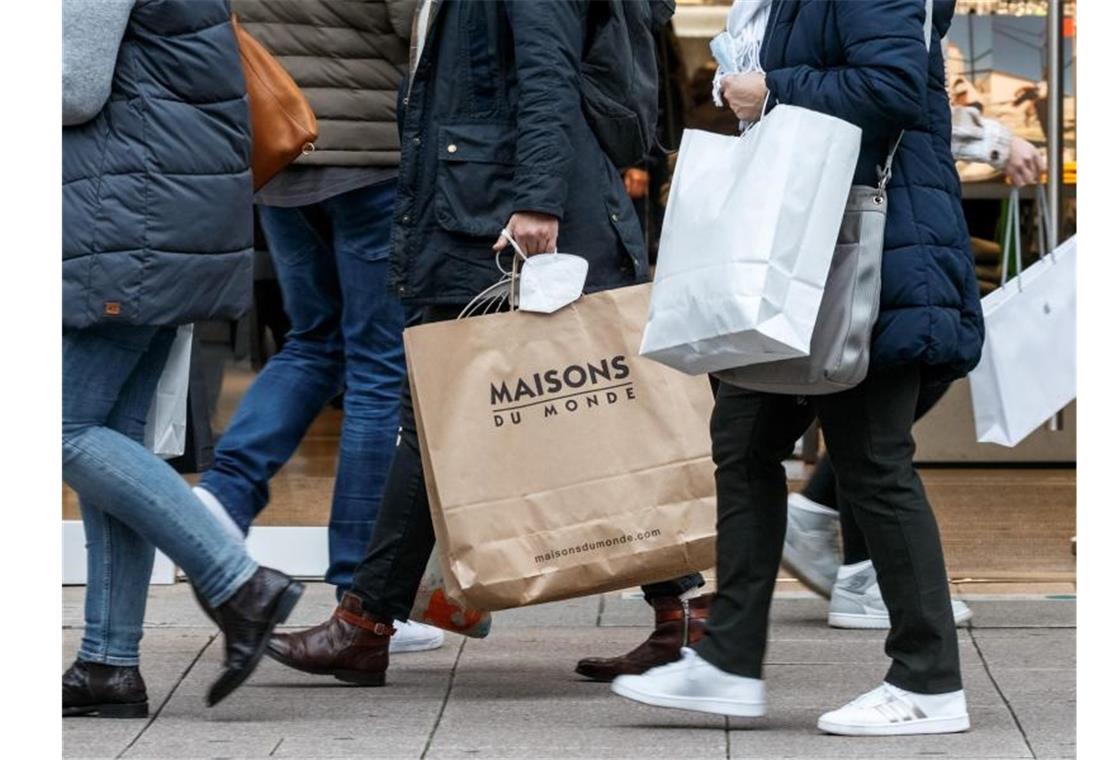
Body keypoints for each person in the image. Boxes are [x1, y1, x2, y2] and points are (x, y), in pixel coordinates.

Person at [262, 0, 710, 687]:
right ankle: (685, 615)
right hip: (490, 202)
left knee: (440, 420)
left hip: (500, 215)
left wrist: (538, 201)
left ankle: (363, 624)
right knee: (586, 416)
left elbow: (547, 74)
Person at [611, 0, 984, 736]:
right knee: (743, 443)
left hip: (871, 248)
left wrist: (771, 88)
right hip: (801, 249)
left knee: (873, 460)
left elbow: (894, 87)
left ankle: (929, 679)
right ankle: (728, 665)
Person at [62, 0, 302, 717]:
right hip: (156, 217)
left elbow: (73, 86)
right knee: (116, 447)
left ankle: (240, 584)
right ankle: (107, 665)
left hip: (128, 220)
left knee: (54, 425)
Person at [190, 0, 443, 654]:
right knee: (377, 368)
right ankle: (360, 593)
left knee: (313, 341)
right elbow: (416, 26)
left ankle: (222, 497)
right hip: (371, 156)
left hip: (279, 144)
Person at [784, 104, 1046, 629]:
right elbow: (894, 87)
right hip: (887, 203)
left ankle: (830, 531)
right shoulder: (892, 18)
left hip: (889, 201)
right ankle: (864, 576)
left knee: (904, 377)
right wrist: (995, 141)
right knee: (901, 375)